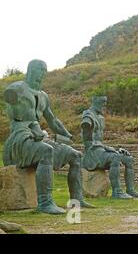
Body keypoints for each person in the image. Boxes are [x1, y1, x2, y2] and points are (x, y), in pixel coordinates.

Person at [3, 59, 93, 214]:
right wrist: (31, 127)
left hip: (37, 139)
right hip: (19, 140)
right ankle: (45, 202)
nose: (43, 74)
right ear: (31, 70)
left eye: (45, 71)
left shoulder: (43, 96)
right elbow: (9, 100)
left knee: (75, 155)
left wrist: (67, 134)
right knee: (46, 150)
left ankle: (76, 200)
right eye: (40, 70)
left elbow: (52, 120)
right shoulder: (17, 89)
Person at [81, 96, 138, 199]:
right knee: (115, 157)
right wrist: (108, 148)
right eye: (102, 102)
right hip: (92, 153)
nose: (104, 105)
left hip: (100, 150)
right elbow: (88, 141)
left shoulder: (101, 118)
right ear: (94, 100)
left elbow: (99, 141)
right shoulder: (88, 116)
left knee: (129, 159)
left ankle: (130, 190)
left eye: (105, 102)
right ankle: (117, 191)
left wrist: (111, 148)